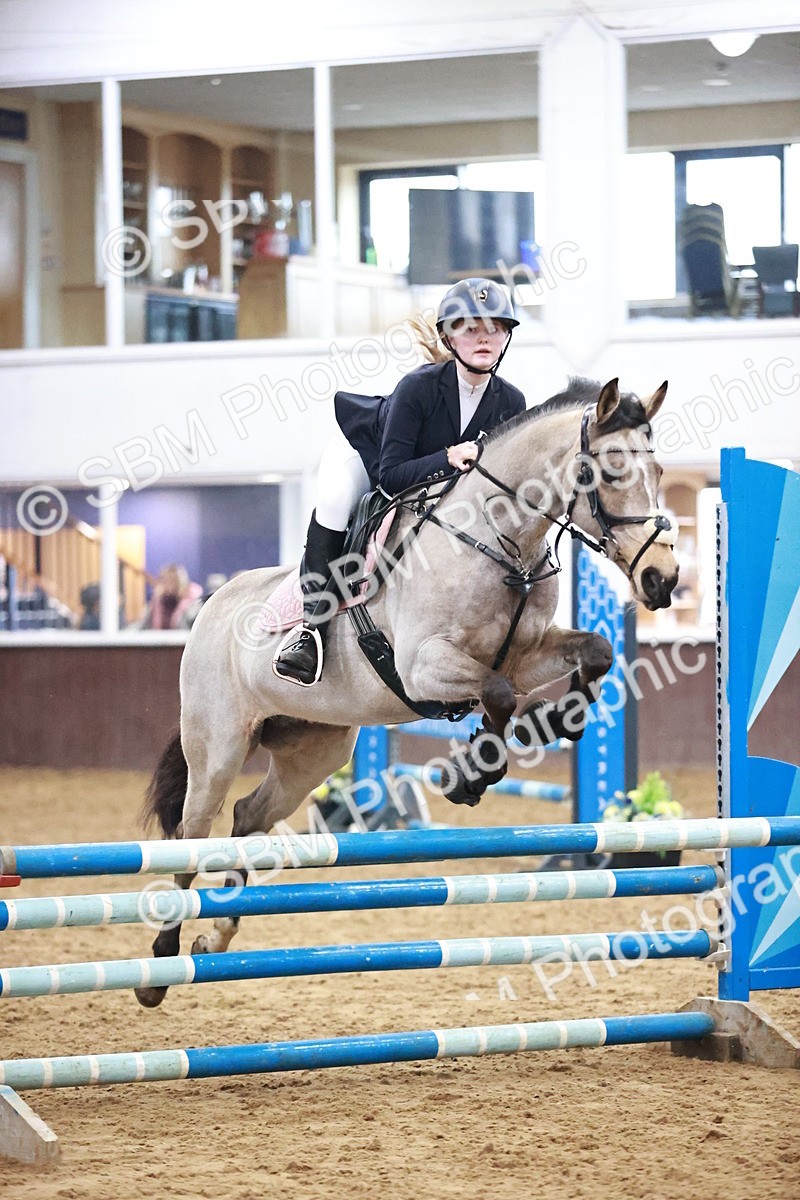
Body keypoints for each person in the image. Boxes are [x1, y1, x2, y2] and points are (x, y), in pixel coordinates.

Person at [273, 277, 526, 687]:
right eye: (470, 328)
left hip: (431, 484)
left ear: (506, 337)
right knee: (337, 501)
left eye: (495, 328)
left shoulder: (511, 402)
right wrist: (448, 456)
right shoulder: (417, 388)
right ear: (448, 336)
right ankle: (310, 631)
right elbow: (390, 477)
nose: (484, 338)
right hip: (366, 454)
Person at [140, 564, 203, 631]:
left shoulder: (191, 603)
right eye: (164, 580)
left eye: (172, 580)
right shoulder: (158, 601)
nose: (168, 584)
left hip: (183, 640)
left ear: (180, 582)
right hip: (160, 640)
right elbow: (143, 624)